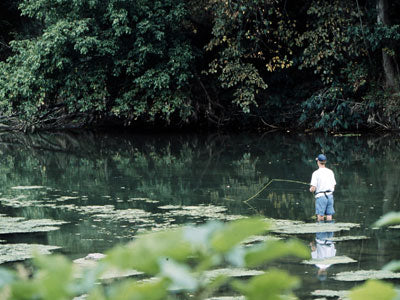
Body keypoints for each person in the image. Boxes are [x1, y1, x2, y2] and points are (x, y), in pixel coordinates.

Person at [309, 154, 336, 221]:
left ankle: (321, 230)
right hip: (330, 196)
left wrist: (310, 189)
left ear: (318, 161)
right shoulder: (330, 172)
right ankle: (329, 230)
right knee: (329, 216)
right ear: (325, 162)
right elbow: (334, 185)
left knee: (320, 217)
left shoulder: (315, 173)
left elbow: (313, 188)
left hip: (320, 197)